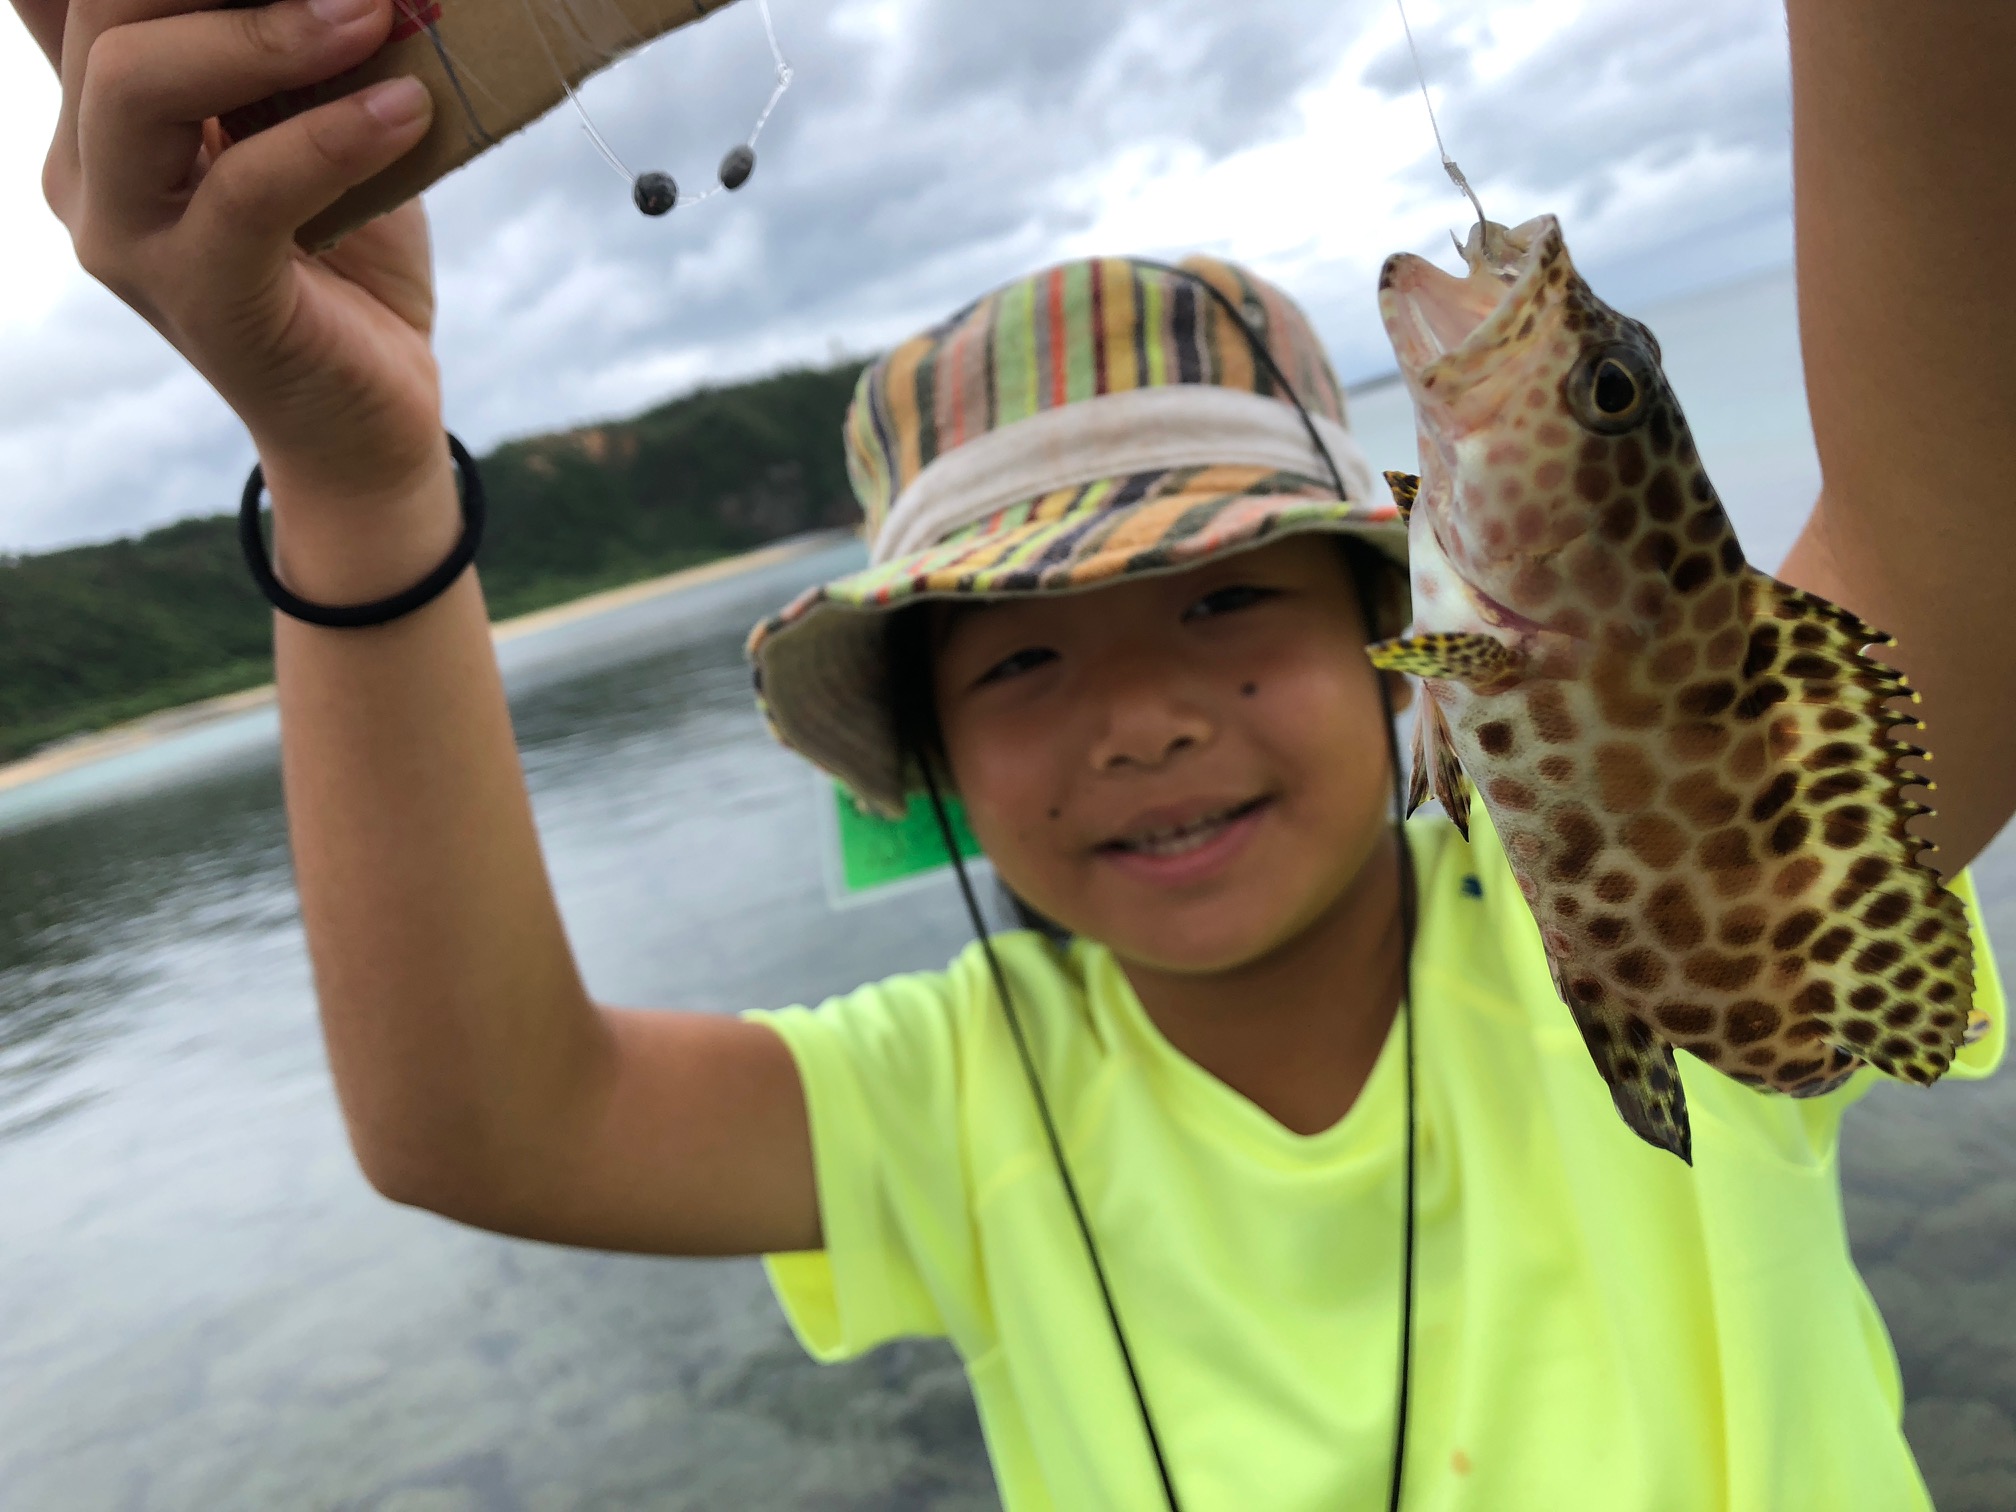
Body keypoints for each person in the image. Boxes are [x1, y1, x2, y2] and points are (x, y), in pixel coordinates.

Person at [13, 0, 2014, 1504]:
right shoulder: (959, 1105)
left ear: (1404, 649)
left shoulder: (1702, 907)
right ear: (935, 768)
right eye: (1022, 662)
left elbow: (1958, 515)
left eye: (1229, 602)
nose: (1142, 717)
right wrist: (351, 476)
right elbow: (486, 1119)